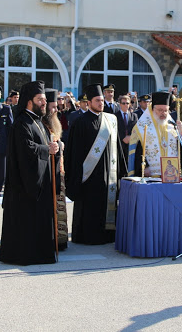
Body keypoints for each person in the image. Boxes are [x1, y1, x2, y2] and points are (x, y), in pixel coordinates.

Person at [0, 81, 59, 265]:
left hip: (38, 181)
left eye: (44, 99)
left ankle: (41, 252)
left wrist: (53, 147)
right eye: (40, 99)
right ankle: (27, 255)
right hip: (24, 185)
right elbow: (26, 148)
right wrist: (46, 149)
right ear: (29, 101)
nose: (44, 103)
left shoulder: (37, 121)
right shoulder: (22, 122)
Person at [64, 84, 126, 245]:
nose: (101, 103)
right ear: (89, 102)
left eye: (102, 101)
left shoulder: (110, 120)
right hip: (88, 175)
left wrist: (121, 171)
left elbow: (118, 147)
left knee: (107, 204)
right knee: (89, 206)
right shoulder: (80, 122)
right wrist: (77, 175)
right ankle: (86, 236)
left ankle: (107, 235)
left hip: (108, 172)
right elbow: (75, 152)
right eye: (97, 101)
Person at [128, 91, 182, 177]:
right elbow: (137, 151)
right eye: (160, 110)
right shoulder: (141, 127)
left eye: (166, 111)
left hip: (171, 176)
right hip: (150, 176)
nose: (163, 113)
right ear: (152, 109)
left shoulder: (173, 127)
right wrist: (144, 168)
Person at [42, 89, 68, 250]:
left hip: (59, 171)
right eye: (52, 107)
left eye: (56, 106)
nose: (55, 110)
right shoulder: (41, 124)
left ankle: (62, 240)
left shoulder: (54, 123)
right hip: (48, 173)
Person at [116, 94, 138, 162]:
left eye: (127, 103)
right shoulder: (115, 116)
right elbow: (115, 130)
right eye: (123, 103)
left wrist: (130, 137)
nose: (125, 105)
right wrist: (122, 137)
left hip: (130, 145)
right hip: (119, 145)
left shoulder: (134, 116)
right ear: (120, 104)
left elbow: (136, 129)